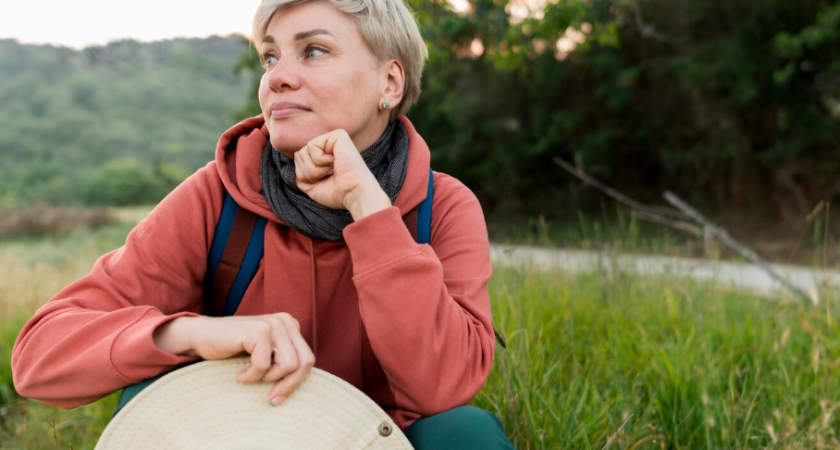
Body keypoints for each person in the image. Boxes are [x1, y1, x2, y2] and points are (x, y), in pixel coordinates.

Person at [12, 0, 515, 448]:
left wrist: (369, 208)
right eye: (270, 57)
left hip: (379, 441)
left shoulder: (443, 207)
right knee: (148, 394)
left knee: (464, 432)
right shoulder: (217, 195)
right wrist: (192, 335)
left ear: (390, 82)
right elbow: (39, 358)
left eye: (314, 51)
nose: (276, 77)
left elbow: (444, 386)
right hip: (240, 435)